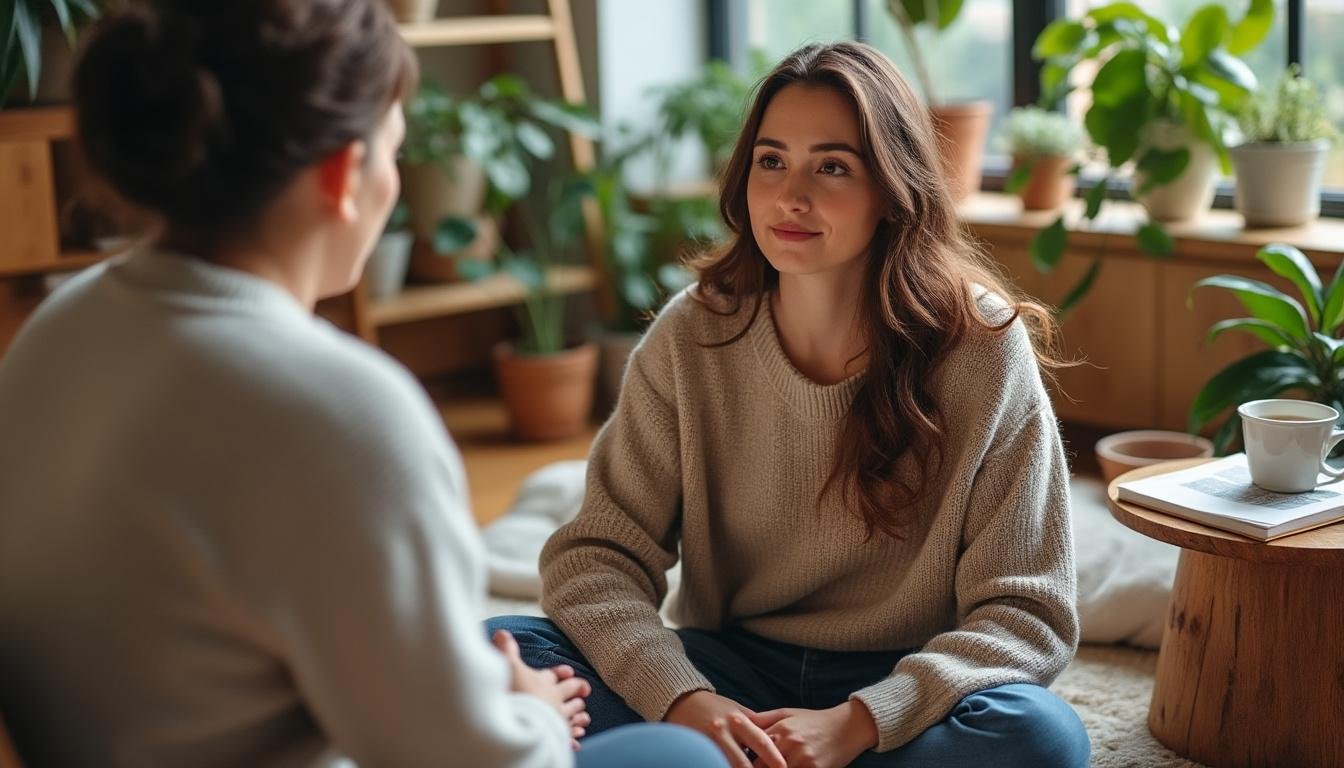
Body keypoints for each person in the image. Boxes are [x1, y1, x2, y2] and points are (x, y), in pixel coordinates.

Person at [0, 2, 723, 767]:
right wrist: (534, 715)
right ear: (345, 174)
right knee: (684, 758)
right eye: (394, 152)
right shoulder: (344, 413)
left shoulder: (55, 328)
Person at [490, 41, 1092, 768]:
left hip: (904, 688)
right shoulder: (693, 335)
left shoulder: (981, 348)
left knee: (1039, 734)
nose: (789, 197)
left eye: (831, 167)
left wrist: (860, 722)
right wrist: (683, 701)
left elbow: (1028, 612)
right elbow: (595, 558)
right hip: (728, 671)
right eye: (770, 161)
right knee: (498, 655)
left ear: (892, 189)